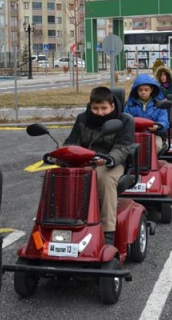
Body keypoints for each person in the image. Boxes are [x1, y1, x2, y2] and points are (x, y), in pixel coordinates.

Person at [63, 86, 134, 245]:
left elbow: (123, 148)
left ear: (112, 106)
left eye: (104, 108)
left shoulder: (125, 120)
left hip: (112, 162)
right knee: (64, 175)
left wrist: (109, 159)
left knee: (104, 178)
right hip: (85, 160)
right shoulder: (83, 119)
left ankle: (108, 231)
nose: (100, 112)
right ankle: (65, 221)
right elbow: (72, 141)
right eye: (95, 108)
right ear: (90, 105)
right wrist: (62, 154)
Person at [124, 73, 170, 154]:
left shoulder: (159, 105)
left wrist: (158, 126)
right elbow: (125, 120)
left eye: (146, 90)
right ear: (136, 90)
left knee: (155, 145)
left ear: (151, 90)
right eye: (140, 90)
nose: (143, 92)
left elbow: (165, 121)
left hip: (154, 135)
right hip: (134, 136)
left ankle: (151, 165)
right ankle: (132, 164)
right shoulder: (130, 105)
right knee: (126, 147)